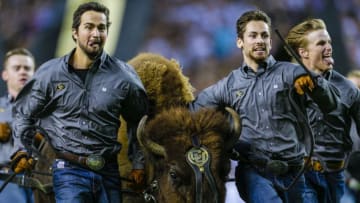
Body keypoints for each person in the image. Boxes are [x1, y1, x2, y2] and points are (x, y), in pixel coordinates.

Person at [189, 10, 339, 203]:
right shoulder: (227, 86)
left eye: (264, 35)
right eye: (253, 35)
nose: (260, 40)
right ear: (239, 42)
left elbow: (331, 105)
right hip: (255, 173)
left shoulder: (293, 73)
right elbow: (191, 113)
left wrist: (317, 87)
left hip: (296, 172)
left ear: (270, 41)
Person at [10, 2, 148, 203]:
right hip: (68, 170)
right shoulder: (50, 74)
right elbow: (24, 113)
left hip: (109, 171)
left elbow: (139, 121)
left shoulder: (125, 77)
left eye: (102, 28)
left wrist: (139, 164)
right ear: (74, 33)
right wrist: (22, 150)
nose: (96, 34)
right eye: (89, 27)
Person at [285, 18, 360, 203]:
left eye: (329, 42)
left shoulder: (348, 89)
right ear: (303, 52)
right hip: (300, 175)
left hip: (336, 175)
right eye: (320, 43)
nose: (328, 47)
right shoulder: (284, 87)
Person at [0, 48, 35, 202]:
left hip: (40, 180)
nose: (23, 72)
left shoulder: (47, 108)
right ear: (5, 74)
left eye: (27, 68)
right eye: (17, 68)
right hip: (7, 180)